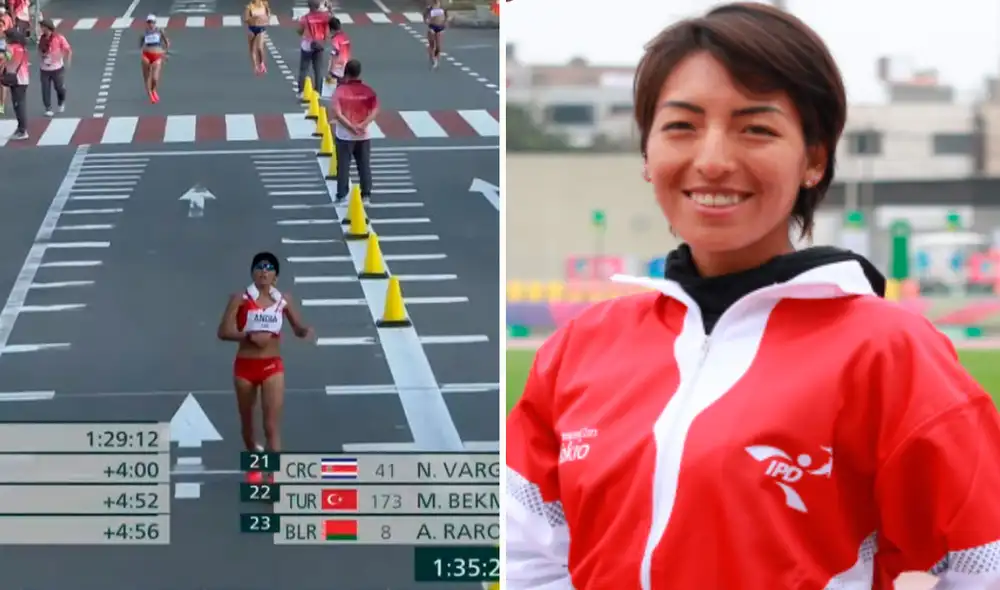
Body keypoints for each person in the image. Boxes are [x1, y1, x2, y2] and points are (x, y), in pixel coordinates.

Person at [504, 3, 1000, 590]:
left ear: (813, 160)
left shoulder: (891, 352)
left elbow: (983, 559)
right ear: (647, 154)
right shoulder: (578, 349)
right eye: (681, 126)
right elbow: (526, 555)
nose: (713, 161)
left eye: (756, 128)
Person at [217, 252, 315, 482]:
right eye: (259, 268)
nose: (264, 271)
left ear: (276, 277)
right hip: (245, 367)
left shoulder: (284, 300)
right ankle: (255, 458)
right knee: (248, 428)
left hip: (272, 366)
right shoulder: (239, 298)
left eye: (269, 268)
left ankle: (272, 478)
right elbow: (223, 332)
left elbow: (297, 328)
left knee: (271, 426)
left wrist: (304, 332)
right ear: (252, 273)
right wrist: (249, 335)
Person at [330, 59, 377, 204]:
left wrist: (351, 127)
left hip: (344, 135)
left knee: (343, 165)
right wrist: (363, 125)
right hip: (363, 135)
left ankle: (341, 194)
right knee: (363, 165)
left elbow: (338, 114)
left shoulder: (340, 91)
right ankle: (366, 194)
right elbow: (375, 110)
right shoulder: (367, 90)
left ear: (346, 74)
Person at [296, 0, 329, 100]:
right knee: (318, 69)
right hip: (319, 44)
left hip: (307, 44)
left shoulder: (305, 18)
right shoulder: (324, 17)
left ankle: (301, 91)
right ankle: (318, 91)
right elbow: (327, 32)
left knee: (304, 69)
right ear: (319, 6)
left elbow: (300, 31)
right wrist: (323, 42)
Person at [37, 18, 68, 117]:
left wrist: (58, 57)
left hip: (57, 68)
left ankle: (61, 101)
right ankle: (48, 107)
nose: (41, 29)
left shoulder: (59, 38)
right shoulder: (41, 39)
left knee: (59, 88)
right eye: (41, 27)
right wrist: (42, 56)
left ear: (48, 27)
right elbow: (39, 51)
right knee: (45, 89)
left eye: (43, 27)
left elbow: (66, 49)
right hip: (44, 68)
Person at [1, 28, 29, 140]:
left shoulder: (11, 48)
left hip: (16, 79)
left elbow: (4, 58)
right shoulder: (22, 48)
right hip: (24, 78)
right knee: (20, 104)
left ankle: (22, 130)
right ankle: (21, 128)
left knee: (18, 105)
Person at [138, 15, 168, 104]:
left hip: (157, 56)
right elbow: (141, 45)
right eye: (149, 22)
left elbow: (166, 42)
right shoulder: (144, 33)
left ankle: (153, 90)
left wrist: (165, 53)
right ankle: (150, 94)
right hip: (146, 55)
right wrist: (143, 51)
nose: (150, 24)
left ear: (155, 23)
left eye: (152, 22)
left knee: (155, 78)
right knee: (147, 77)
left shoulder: (160, 31)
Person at [244, 0, 269, 75]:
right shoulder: (249, 7)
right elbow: (246, 19)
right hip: (251, 28)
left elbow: (268, 16)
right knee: (252, 48)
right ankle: (255, 67)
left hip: (261, 28)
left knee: (259, 47)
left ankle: (262, 64)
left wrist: (264, 20)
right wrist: (253, 19)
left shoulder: (265, 5)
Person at [325, 16, 349, 93]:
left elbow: (335, 56)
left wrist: (330, 71)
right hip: (345, 66)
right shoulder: (345, 37)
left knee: (335, 91)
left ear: (331, 29)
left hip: (337, 69)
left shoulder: (335, 40)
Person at [423, 0, 446, 69]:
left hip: (440, 27)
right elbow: (424, 14)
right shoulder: (430, 7)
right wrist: (426, 20)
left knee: (438, 45)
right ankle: (432, 58)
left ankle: (436, 59)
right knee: (432, 44)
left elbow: (446, 15)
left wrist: (445, 22)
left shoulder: (442, 7)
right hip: (432, 26)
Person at [0, 8, 10, 115]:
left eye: (1, 26)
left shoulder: (7, 38)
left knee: (2, 85)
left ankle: (1, 105)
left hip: (3, 64)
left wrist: (5, 59)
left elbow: (11, 53)